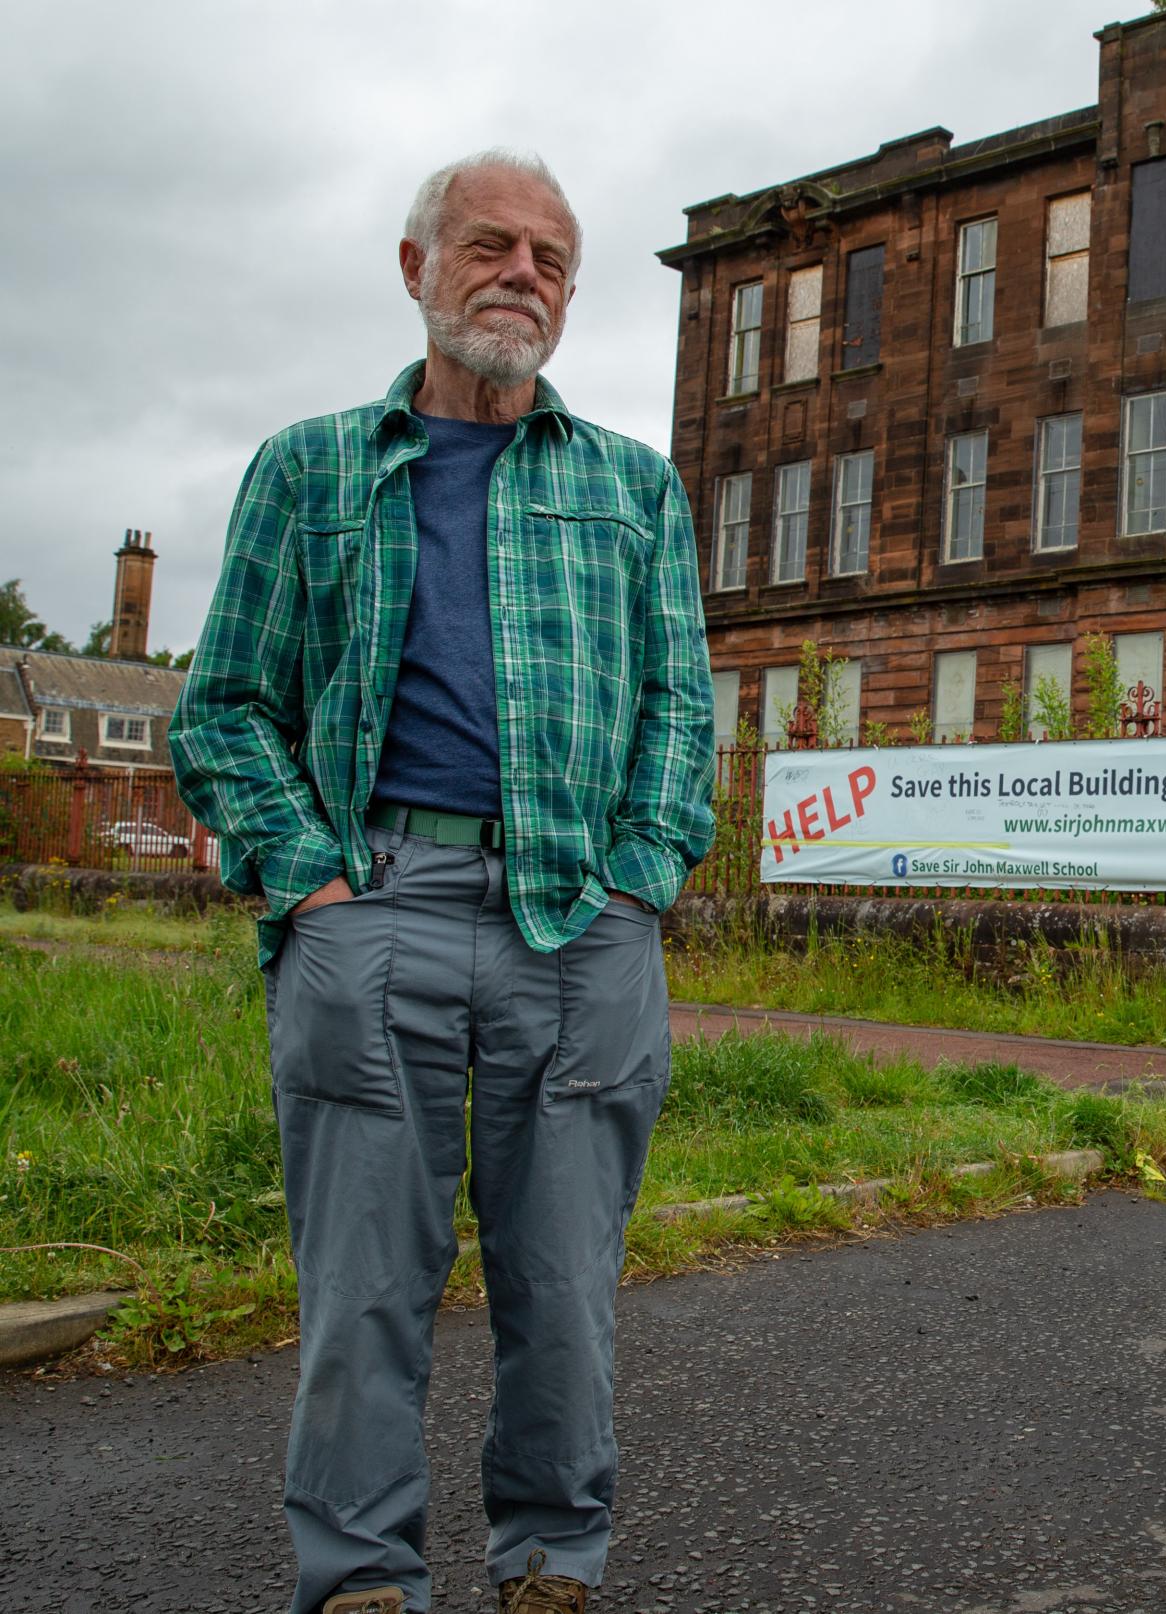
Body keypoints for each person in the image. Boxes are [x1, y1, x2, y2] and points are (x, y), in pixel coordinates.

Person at [172, 150, 716, 1614]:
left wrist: (638, 884)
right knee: (363, 1287)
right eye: (489, 245)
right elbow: (224, 704)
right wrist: (314, 890)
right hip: (376, 902)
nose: (520, 273)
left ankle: (550, 1560)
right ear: (416, 270)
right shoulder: (310, 468)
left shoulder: (632, 487)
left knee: (565, 1290)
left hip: (578, 921)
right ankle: (359, 1575)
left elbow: (683, 709)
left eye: (550, 256)